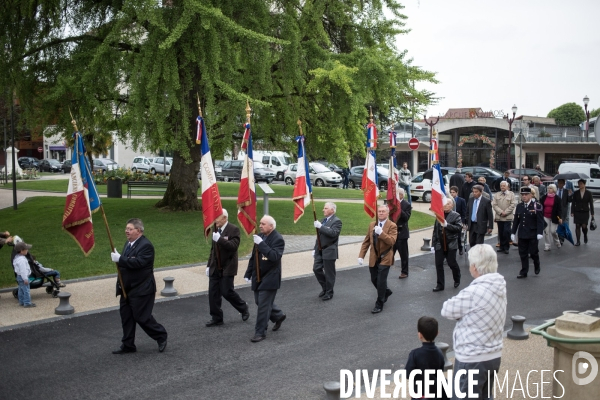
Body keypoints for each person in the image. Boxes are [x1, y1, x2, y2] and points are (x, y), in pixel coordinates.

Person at [441, 244, 506, 400]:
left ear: (475, 267)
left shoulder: (474, 292)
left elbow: (446, 309)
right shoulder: (499, 285)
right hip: (493, 355)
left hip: (472, 359)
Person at [110, 218, 168, 354]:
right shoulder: (129, 243)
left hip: (142, 288)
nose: (126, 231)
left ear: (139, 231)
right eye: (126, 229)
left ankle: (161, 335)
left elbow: (139, 263)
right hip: (127, 288)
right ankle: (128, 345)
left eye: (130, 229)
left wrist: (121, 259)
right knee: (126, 317)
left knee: (142, 317)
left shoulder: (146, 246)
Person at [244, 215, 286, 342]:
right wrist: (248, 273)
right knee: (259, 301)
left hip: (270, 277)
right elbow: (254, 257)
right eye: (260, 223)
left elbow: (274, 256)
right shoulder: (260, 236)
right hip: (259, 275)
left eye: (263, 224)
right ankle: (278, 315)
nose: (260, 226)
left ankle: (260, 332)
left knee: (263, 306)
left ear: (271, 226)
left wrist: (261, 244)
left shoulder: (278, 239)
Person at [205, 209, 250, 327]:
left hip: (227, 266)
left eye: (217, 218)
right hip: (216, 267)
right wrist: (209, 265)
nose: (215, 220)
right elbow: (213, 251)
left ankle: (243, 307)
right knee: (213, 293)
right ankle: (216, 317)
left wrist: (219, 239)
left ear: (224, 218)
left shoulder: (233, 229)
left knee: (226, 292)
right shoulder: (216, 229)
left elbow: (233, 246)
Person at [358, 205, 397, 313]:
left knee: (381, 281)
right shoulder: (372, 225)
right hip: (374, 256)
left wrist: (381, 233)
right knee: (374, 279)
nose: (380, 213)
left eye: (383, 211)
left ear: (387, 213)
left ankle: (379, 303)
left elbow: (391, 241)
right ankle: (386, 291)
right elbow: (366, 241)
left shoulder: (392, 225)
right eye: (379, 211)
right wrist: (361, 255)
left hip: (386, 256)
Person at [404, 316, 447, 400]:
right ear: (437, 333)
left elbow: (408, 374)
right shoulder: (439, 353)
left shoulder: (414, 354)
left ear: (420, 335)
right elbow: (440, 371)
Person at [511, 187, 544, 278]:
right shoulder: (519, 206)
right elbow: (516, 221)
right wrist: (513, 232)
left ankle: (536, 263)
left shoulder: (537, 206)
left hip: (533, 233)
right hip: (522, 233)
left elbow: (540, 221)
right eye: (523, 195)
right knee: (523, 253)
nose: (524, 196)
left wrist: (539, 233)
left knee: (533, 252)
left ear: (530, 195)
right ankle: (524, 271)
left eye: (526, 195)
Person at [313, 202, 343, 300]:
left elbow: (333, 233)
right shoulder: (323, 220)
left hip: (329, 249)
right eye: (324, 208)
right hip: (320, 249)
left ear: (332, 210)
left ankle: (329, 292)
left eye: (326, 208)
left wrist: (320, 227)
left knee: (329, 273)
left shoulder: (337, 221)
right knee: (316, 269)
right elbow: (319, 237)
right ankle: (325, 287)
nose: (323, 210)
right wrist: (315, 248)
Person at [431, 197, 462, 292]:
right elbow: (435, 230)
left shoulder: (456, 215)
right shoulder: (439, 215)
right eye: (444, 203)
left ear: (452, 205)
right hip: (439, 243)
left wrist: (447, 225)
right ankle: (440, 284)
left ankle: (457, 277)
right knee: (439, 264)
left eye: (448, 204)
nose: (445, 205)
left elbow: (458, 228)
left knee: (451, 262)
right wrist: (433, 244)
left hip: (451, 243)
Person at [492, 181, 517, 255]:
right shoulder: (497, 195)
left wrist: (506, 212)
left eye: (504, 186)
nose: (502, 187)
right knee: (501, 232)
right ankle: (501, 247)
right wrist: (500, 212)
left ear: (507, 186)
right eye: (501, 186)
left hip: (507, 216)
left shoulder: (511, 194)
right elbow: (494, 205)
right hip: (499, 216)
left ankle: (506, 247)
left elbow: (513, 204)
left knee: (506, 232)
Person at [394, 188, 412, 279]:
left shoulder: (407, 205)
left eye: (396, 194)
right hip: (392, 232)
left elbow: (406, 218)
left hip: (402, 232)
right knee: (388, 253)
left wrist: (399, 208)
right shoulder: (392, 203)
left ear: (401, 195)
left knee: (403, 254)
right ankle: (382, 269)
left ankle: (404, 272)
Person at [571, 179, 595, 246]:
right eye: (579, 184)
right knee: (577, 225)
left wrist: (592, 213)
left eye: (581, 184)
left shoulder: (589, 193)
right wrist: (572, 211)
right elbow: (573, 203)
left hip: (585, 212)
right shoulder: (576, 193)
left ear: (584, 184)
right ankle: (578, 241)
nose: (580, 185)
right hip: (577, 211)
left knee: (584, 226)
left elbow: (591, 204)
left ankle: (585, 235)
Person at [13, 241, 36, 308]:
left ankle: (21, 301)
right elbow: (23, 270)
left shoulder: (17, 258)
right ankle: (27, 303)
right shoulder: (22, 260)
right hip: (23, 277)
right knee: (26, 290)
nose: (27, 250)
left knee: (21, 289)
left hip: (19, 277)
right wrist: (25, 278)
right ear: (21, 251)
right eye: (26, 249)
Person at [540, 184, 562, 251]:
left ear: (554, 190)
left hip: (554, 217)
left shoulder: (557, 198)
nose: (549, 190)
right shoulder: (544, 197)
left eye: (551, 188)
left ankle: (557, 241)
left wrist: (560, 218)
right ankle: (547, 245)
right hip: (545, 216)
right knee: (546, 231)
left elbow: (559, 209)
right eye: (548, 188)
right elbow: (541, 206)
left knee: (553, 231)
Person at [450, 186, 467, 255]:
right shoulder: (449, 200)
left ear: (457, 192)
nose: (452, 194)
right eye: (451, 192)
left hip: (458, 220)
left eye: (453, 192)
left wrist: (462, 222)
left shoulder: (461, 200)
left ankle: (460, 248)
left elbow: (464, 212)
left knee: (458, 236)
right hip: (451, 221)